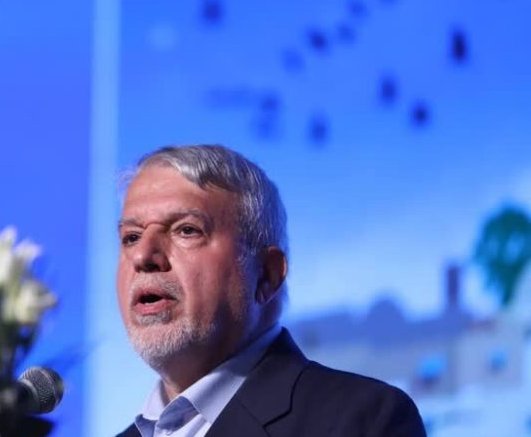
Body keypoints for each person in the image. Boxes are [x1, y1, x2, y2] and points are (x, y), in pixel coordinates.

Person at [115, 144, 426, 437]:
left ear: (266, 274)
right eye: (131, 237)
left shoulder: (362, 421)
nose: (142, 256)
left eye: (187, 230)